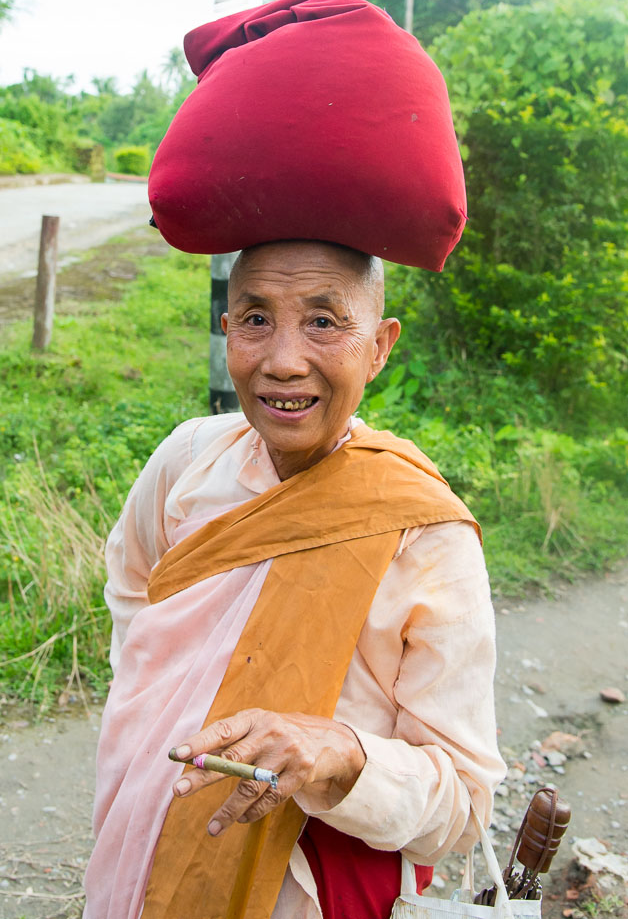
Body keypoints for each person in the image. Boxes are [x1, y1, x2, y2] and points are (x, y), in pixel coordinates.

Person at [83, 238, 505, 919]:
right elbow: (132, 587)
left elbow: (464, 809)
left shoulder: (426, 537)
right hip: (140, 846)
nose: (283, 361)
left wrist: (343, 753)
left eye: (324, 321)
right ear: (226, 332)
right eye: (255, 319)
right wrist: (158, 705)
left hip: (309, 894)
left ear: (379, 345)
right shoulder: (188, 460)